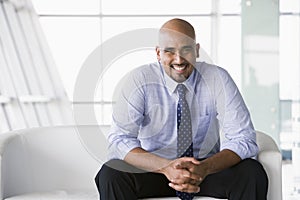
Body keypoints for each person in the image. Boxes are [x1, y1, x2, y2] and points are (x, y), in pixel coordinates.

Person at [95, 18, 268, 200]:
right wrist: (166, 167)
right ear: (158, 53)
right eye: (170, 51)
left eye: (186, 49)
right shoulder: (139, 80)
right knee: (111, 173)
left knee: (251, 171)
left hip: (204, 169)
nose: (179, 59)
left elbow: (244, 138)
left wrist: (204, 168)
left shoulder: (218, 78)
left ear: (197, 50)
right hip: (155, 169)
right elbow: (119, 140)